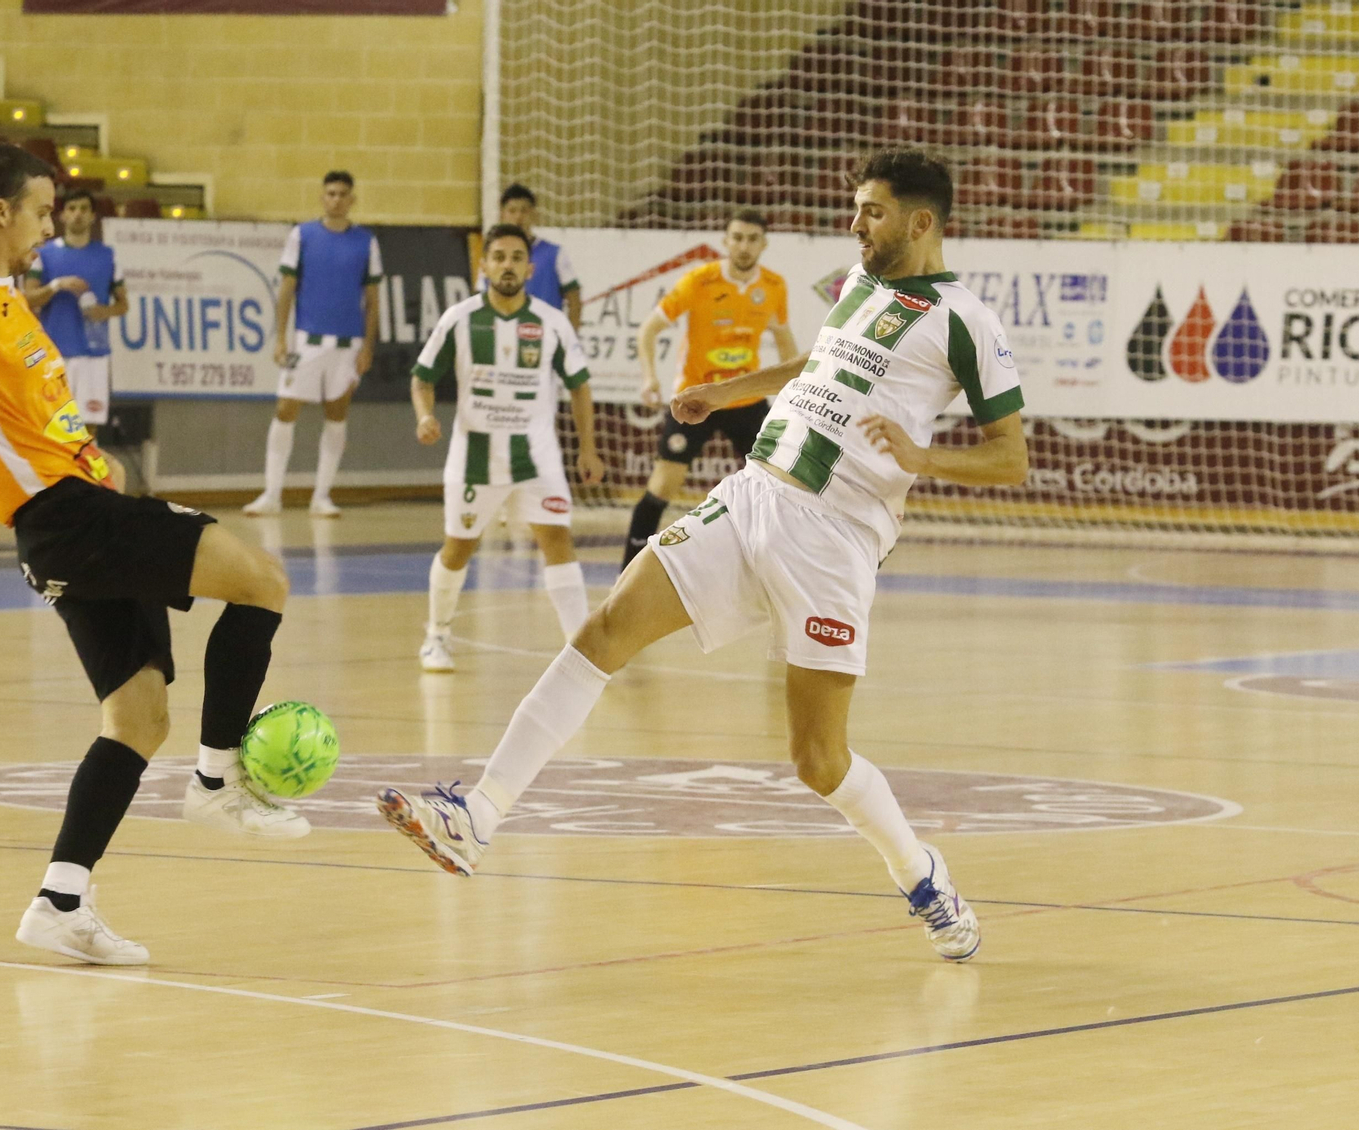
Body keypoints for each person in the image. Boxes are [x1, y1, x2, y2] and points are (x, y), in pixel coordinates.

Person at [377, 149, 1029, 963]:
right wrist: (730, 392)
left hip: (836, 538)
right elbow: (819, 363)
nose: (855, 223)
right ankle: (478, 816)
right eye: (856, 207)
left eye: (873, 211)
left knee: (817, 760)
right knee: (605, 628)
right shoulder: (856, 285)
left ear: (922, 222)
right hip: (754, 492)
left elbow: (1012, 458)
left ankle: (921, 873)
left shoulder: (966, 320)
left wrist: (919, 456)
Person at [0, 142, 309, 967]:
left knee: (138, 719)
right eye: (45, 211)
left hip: (82, 510)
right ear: (0, 212)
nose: (52, 227)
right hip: (68, 523)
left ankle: (60, 900)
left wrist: (105, 466)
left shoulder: (9, 300)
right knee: (263, 580)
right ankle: (217, 782)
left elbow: (37, 427)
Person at [411, 223, 604, 673]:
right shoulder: (458, 319)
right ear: (484, 265)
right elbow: (422, 376)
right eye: (499, 257)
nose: (508, 265)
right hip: (474, 459)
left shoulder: (552, 323)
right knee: (459, 546)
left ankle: (581, 649)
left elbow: (580, 386)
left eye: (517, 258)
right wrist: (425, 415)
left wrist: (588, 448)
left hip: (537, 459)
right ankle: (436, 636)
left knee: (556, 537)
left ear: (530, 268)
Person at [623, 209, 798, 569]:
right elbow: (648, 330)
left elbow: (785, 342)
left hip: (745, 398)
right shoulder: (698, 281)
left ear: (763, 244)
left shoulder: (774, 286)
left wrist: (796, 393)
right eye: (737, 237)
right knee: (661, 488)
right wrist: (648, 377)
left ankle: (776, 569)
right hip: (695, 399)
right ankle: (628, 572)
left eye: (752, 239)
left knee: (779, 486)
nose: (744, 246)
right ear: (725, 241)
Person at [245, 170, 382, 518]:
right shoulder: (302, 235)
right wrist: (281, 338)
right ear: (323, 197)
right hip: (307, 341)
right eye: (331, 193)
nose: (336, 199)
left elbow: (373, 300)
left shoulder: (366, 242)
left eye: (343, 194)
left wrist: (367, 346)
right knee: (285, 410)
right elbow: (287, 289)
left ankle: (321, 495)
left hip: (348, 344)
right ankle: (272, 494)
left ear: (352, 200)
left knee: (336, 415)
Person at [24, 188, 128, 430]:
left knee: (89, 427)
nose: (78, 214)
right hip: (56, 353)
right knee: (54, 425)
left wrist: (105, 311)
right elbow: (27, 299)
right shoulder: (44, 254)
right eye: (72, 209)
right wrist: (57, 285)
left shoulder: (108, 256)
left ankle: (84, 469)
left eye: (84, 209)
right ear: (62, 215)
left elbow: (123, 304)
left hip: (94, 354)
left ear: (93, 215)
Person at [476, 184, 581, 327]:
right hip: (502, 340)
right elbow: (479, 302)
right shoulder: (493, 256)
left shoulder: (554, 253)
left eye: (524, 211)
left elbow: (574, 300)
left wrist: (569, 340)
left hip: (544, 339)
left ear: (534, 214)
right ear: (502, 214)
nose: (518, 217)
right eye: (512, 211)